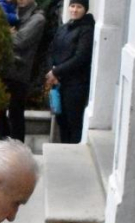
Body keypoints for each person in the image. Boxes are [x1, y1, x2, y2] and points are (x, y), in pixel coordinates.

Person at [45, 0, 94, 144]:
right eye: (72, 6)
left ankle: (73, 152)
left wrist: (56, 72)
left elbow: (81, 57)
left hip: (76, 85)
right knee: (62, 121)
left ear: (85, 9)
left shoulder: (87, 30)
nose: (74, 10)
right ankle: (64, 150)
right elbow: (51, 51)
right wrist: (51, 71)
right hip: (58, 83)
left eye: (79, 7)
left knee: (74, 123)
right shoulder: (64, 28)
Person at [0, 0, 44, 143]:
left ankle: (18, 149)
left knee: (15, 114)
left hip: (18, 72)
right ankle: (4, 146)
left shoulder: (37, 19)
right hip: (4, 69)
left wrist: (2, 33)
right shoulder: (12, 11)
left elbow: (20, 41)